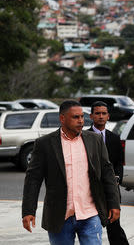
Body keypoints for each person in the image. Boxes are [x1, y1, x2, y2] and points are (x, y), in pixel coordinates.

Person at [22, 100, 120, 245]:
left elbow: (107, 173)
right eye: (75, 117)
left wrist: (114, 204)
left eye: (82, 117)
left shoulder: (95, 140)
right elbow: (33, 179)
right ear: (62, 118)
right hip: (60, 216)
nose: (81, 121)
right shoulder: (45, 143)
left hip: (90, 214)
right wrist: (28, 211)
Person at [89, 101, 129, 245]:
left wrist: (117, 179)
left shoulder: (114, 138)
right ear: (91, 116)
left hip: (111, 190)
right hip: (91, 191)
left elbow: (119, 163)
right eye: (97, 113)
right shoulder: (84, 136)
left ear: (108, 116)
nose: (101, 116)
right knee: (92, 228)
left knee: (114, 227)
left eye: (103, 113)